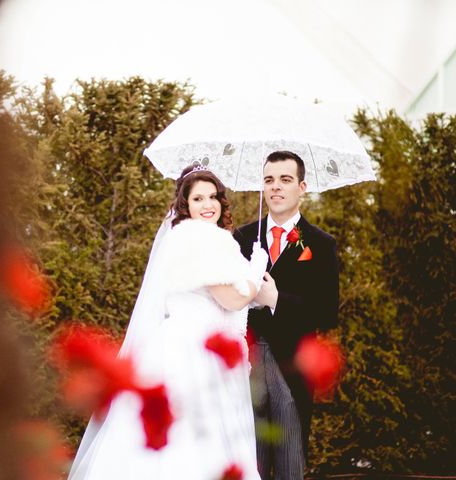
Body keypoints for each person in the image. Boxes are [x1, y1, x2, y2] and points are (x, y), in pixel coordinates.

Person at [68, 164, 268, 480]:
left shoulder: (197, 238)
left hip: (188, 343)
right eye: (198, 199)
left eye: (213, 196)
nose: (208, 205)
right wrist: (255, 276)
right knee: (192, 438)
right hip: (191, 349)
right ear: (185, 206)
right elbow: (230, 299)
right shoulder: (196, 238)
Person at [234, 151, 340, 479]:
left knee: (291, 462)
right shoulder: (242, 238)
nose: (276, 187)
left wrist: (276, 299)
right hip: (246, 369)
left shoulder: (321, 244)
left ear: (302, 186)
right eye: (269, 180)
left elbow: (327, 312)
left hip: (292, 370)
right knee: (249, 461)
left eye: (285, 180)